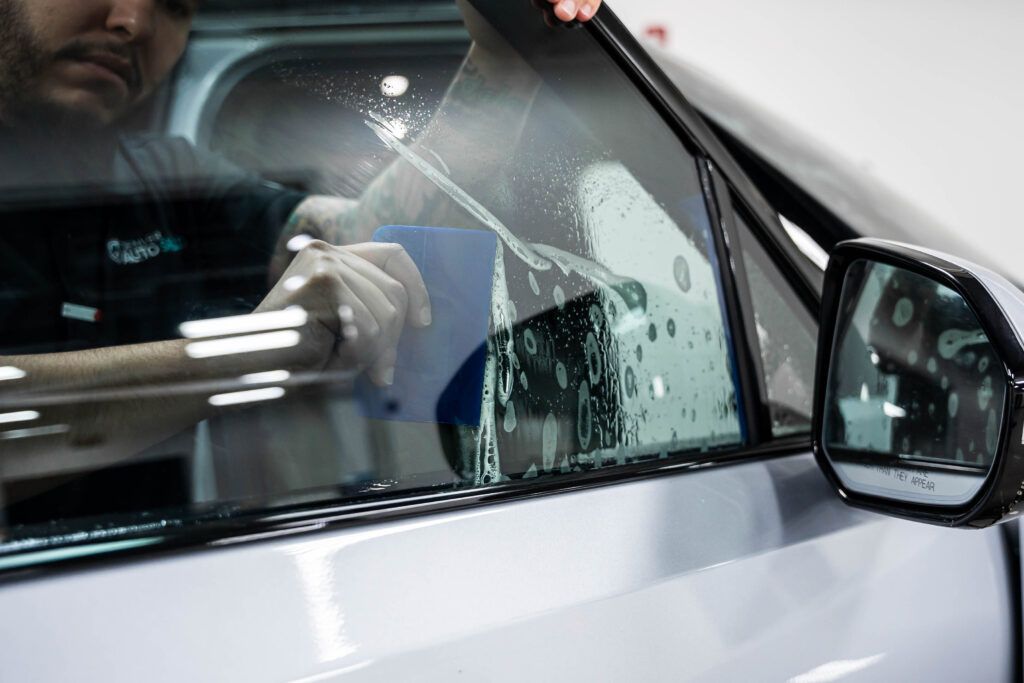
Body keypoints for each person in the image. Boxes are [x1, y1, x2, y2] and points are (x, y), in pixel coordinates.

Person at [0, 0, 603, 460]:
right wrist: (240, 355)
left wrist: (500, 53)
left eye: (175, 5)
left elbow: (370, 237)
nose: (133, 21)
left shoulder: (164, 176)